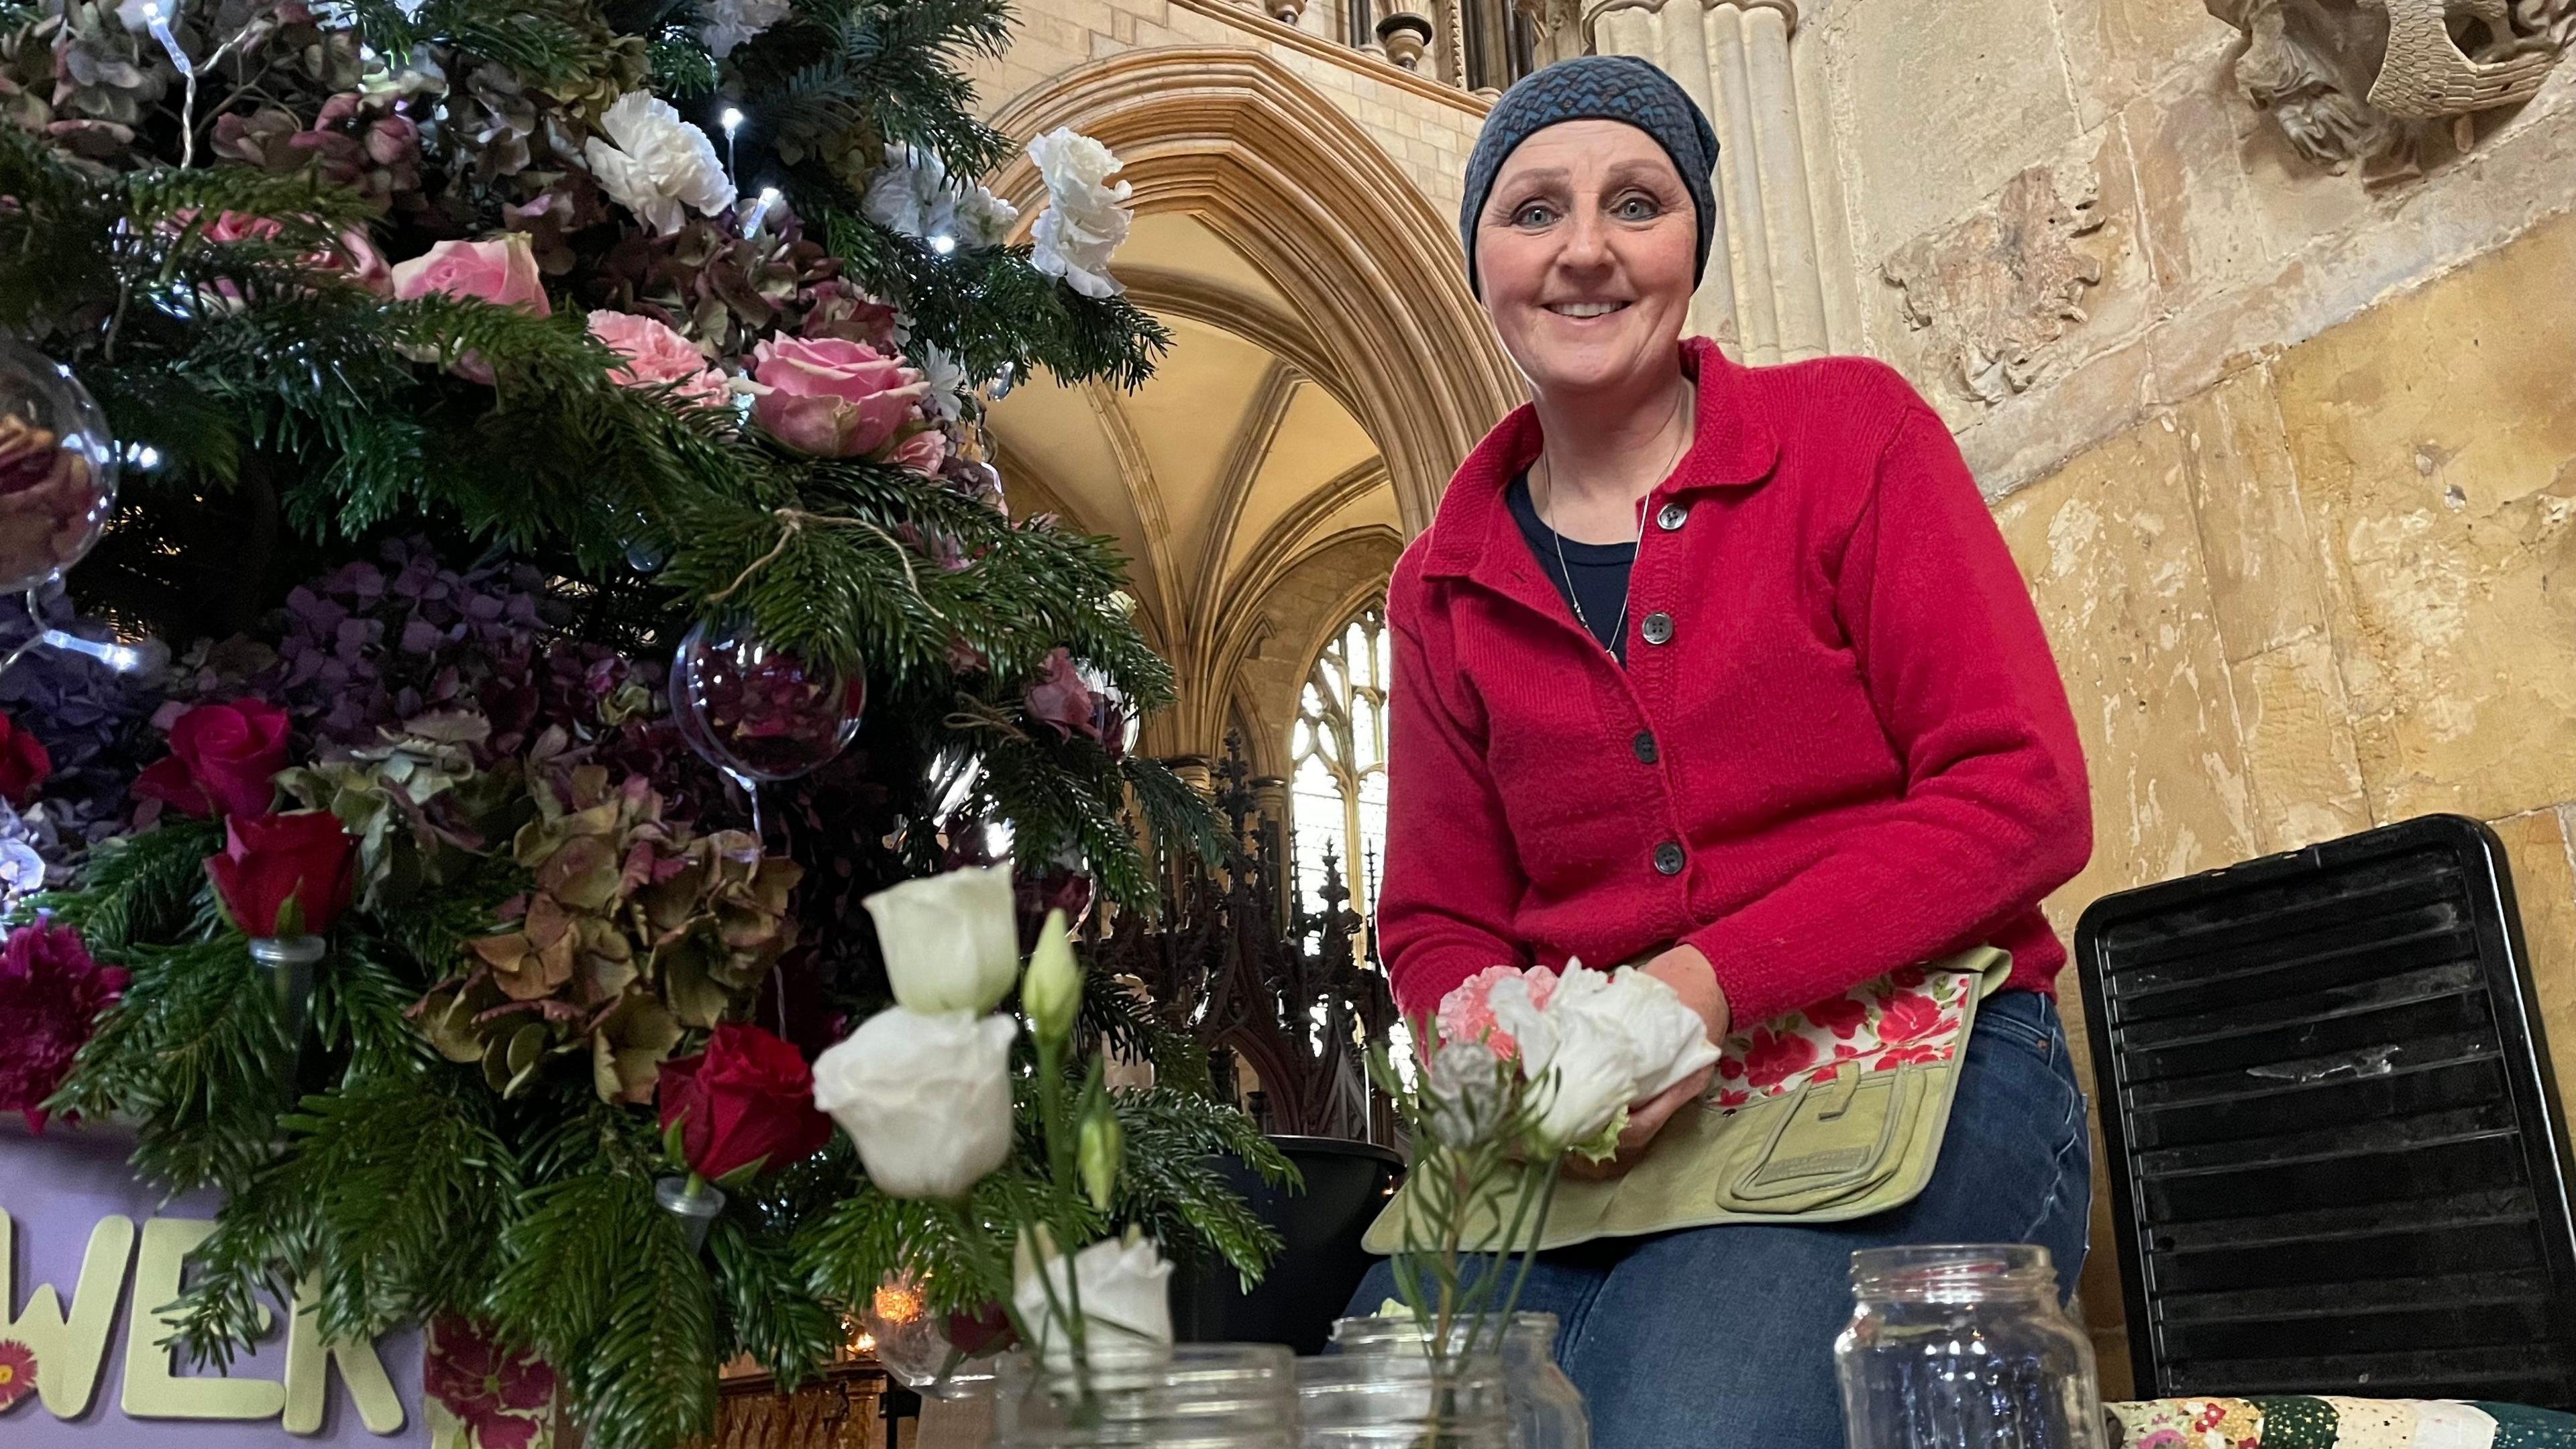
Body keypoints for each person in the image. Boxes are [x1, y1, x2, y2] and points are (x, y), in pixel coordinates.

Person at [1348, 55, 2096, 1449]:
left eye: (1635, 204)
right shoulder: (1440, 585)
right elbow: (1439, 919)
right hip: (1578, 1137)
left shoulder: (1849, 436)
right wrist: (1506, 1049)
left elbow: (2022, 795)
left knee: (1687, 1422)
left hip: (1911, 1066)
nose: (1584, 250)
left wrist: (1697, 990)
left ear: (1691, 244)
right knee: (1386, 1421)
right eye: (1533, 212)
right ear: (1480, 263)